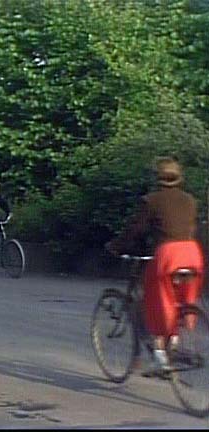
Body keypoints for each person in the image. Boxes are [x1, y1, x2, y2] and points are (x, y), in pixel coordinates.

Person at [106, 157, 204, 374]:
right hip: (192, 253)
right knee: (181, 298)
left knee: (156, 301)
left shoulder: (151, 201)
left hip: (168, 255)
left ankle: (160, 355)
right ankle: (176, 340)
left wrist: (116, 246)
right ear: (180, 178)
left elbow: (136, 230)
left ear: (157, 178)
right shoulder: (190, 200)